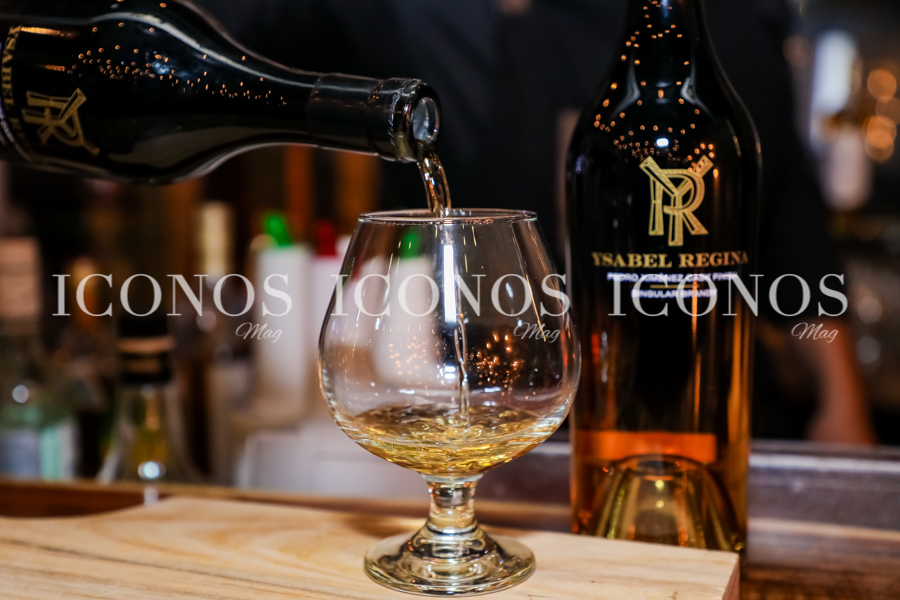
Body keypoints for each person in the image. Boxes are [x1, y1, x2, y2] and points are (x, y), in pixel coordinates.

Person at [195, 0, 876, 444]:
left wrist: (841, 402)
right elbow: (237, 25)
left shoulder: (722, 21)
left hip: (715, 414)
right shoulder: (431, 16)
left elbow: (790, 230)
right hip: (498, 419)